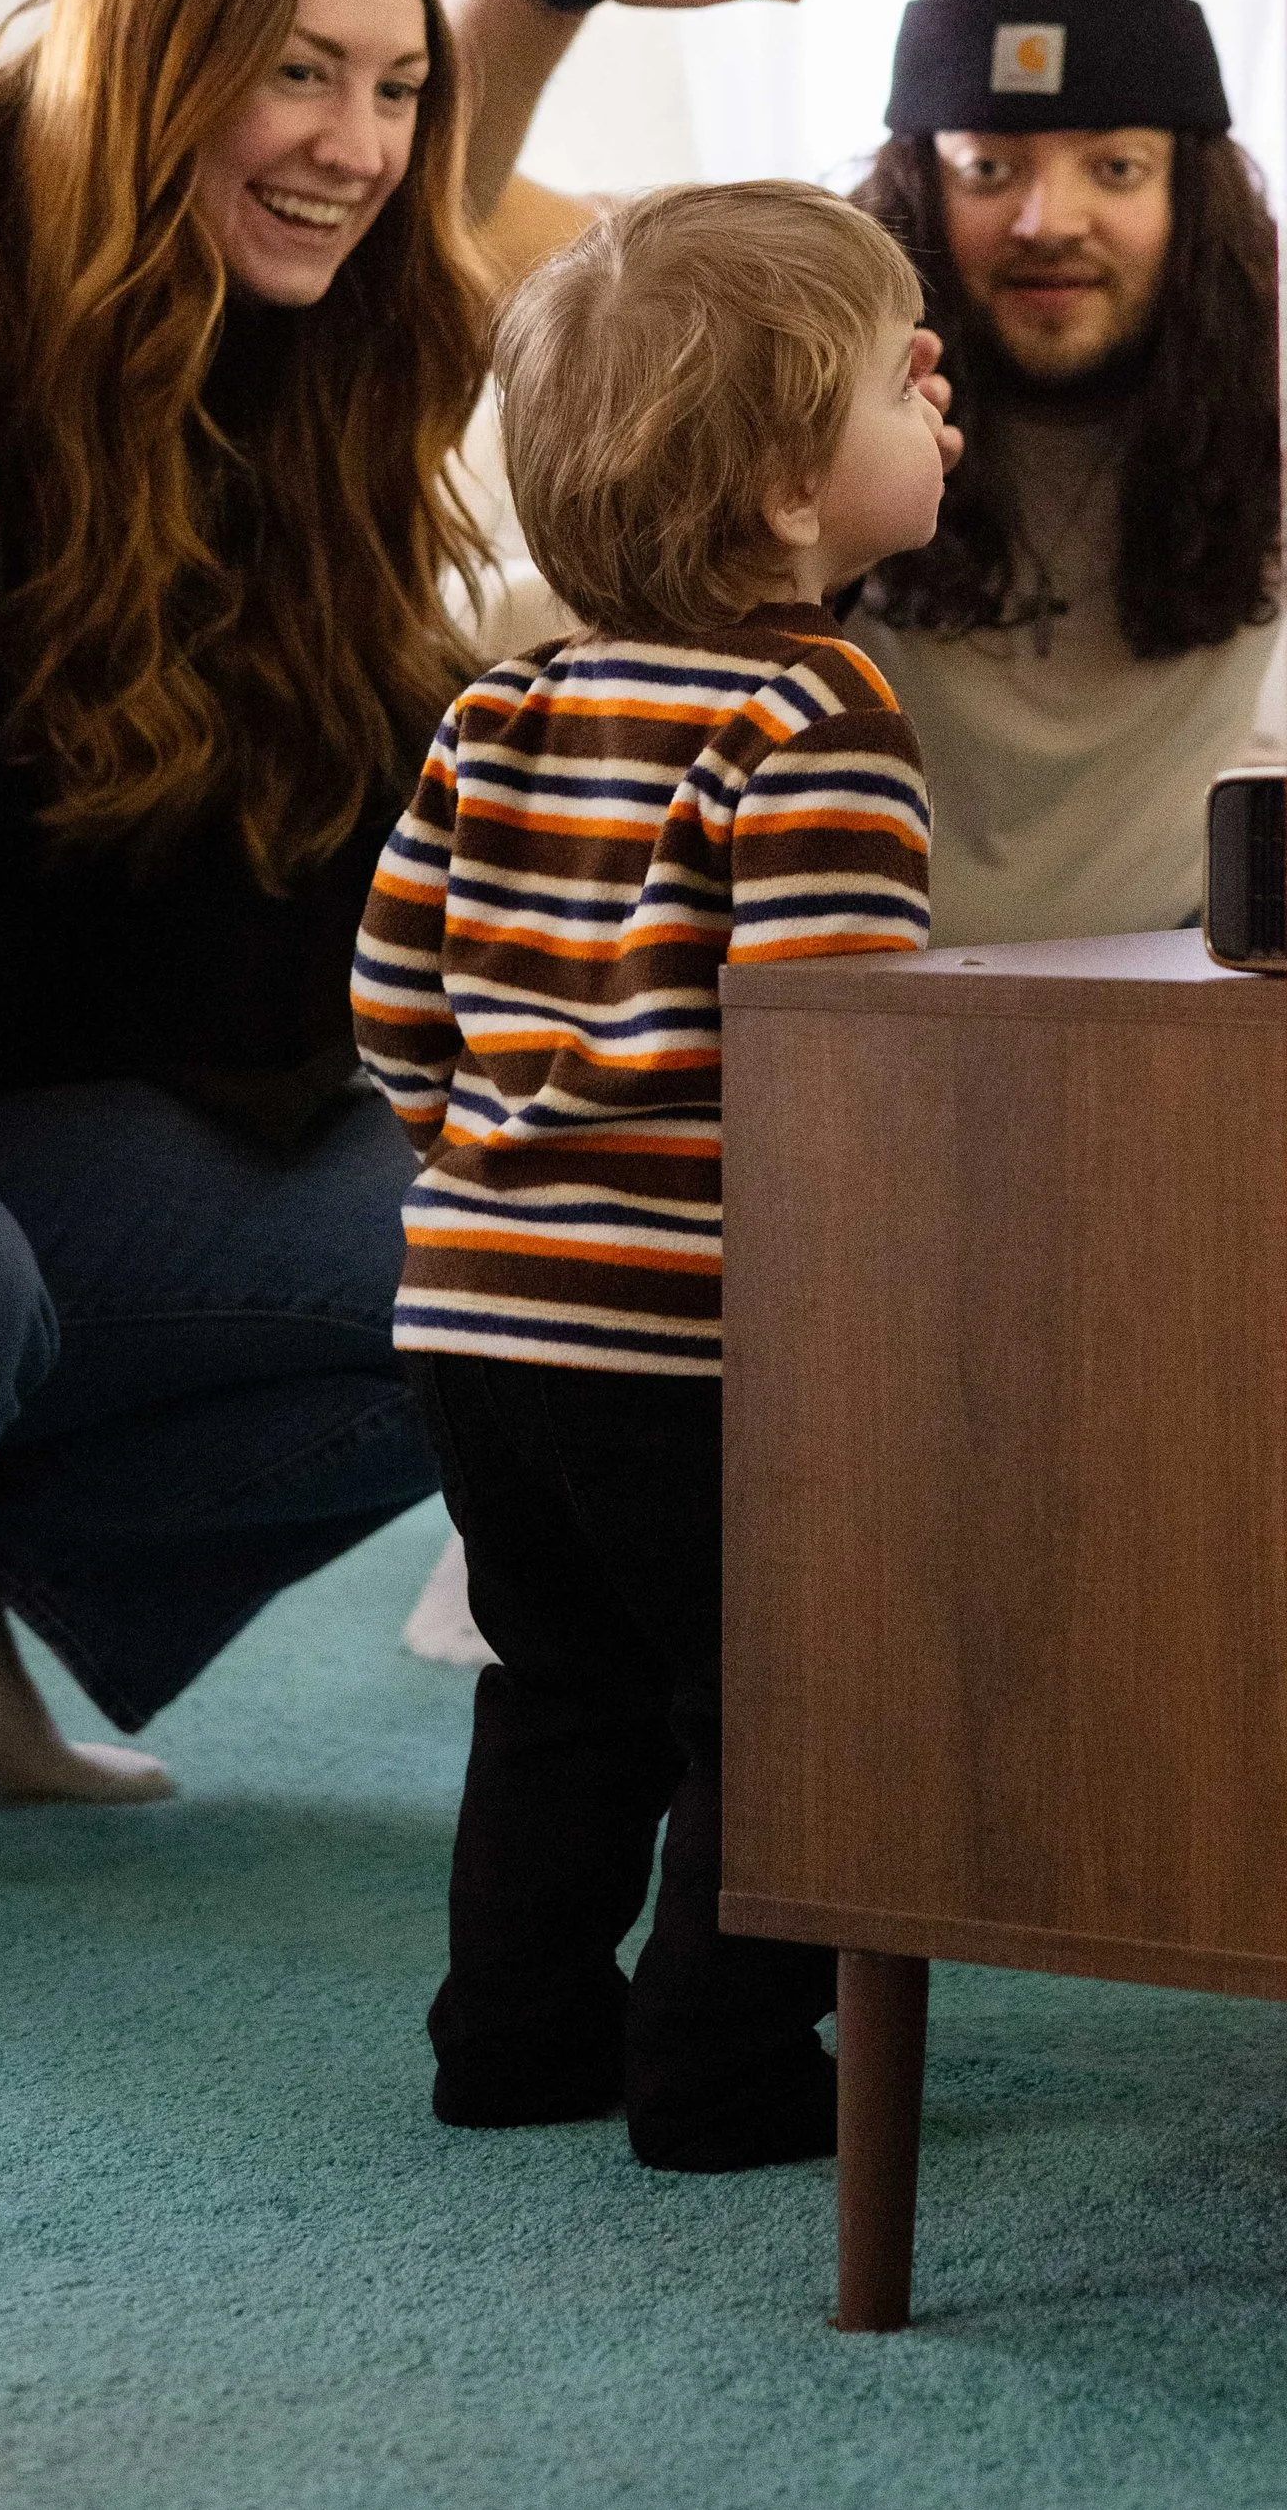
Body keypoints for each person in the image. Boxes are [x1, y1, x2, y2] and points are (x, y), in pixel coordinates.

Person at [0, 0, 857, 1803]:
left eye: (389, 86)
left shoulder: (269, 355)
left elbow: (411, 206)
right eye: (296, 68)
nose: (354, 140)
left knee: (525, 1240)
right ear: (148, 59)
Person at [354, 184, 941, 2168]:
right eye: (895, 375)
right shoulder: (815, 713)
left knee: (557, 1676)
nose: (934, 393)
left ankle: (512, 2028)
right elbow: (825, 1068)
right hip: (684, 1333)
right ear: (791, 488)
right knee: (763, 1695)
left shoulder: (500, 705)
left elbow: (390, 993)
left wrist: (486, 1170)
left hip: (472, 1305)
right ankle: (718, 2064)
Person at [849, 0, 1287, 946]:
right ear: (919, 188)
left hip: (1160, 1012)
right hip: (853, 1010)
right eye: (989, 166)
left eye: (1115, 165)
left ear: (1192, 192)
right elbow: (482, 258)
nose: (1049, 219)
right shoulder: (820, 386)